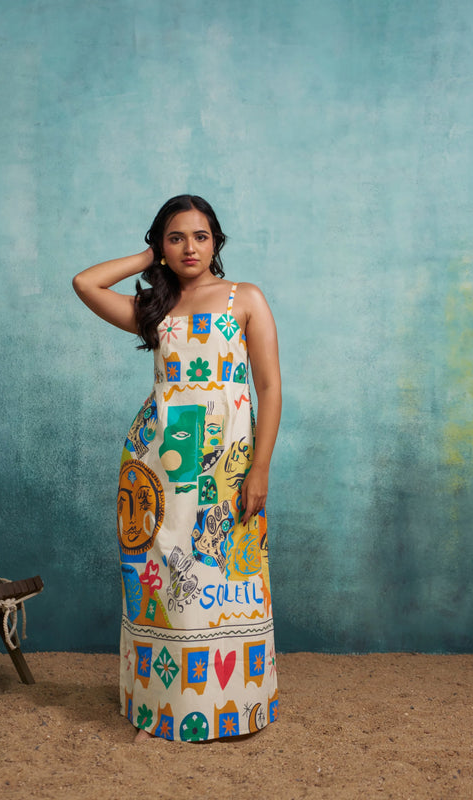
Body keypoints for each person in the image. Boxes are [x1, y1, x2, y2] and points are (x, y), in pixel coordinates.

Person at [73, 195, 281, 742]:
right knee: (165, 581)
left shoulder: (246, 298)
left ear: (217, 242)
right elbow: (85, 284)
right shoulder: (154, 309)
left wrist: (258, 468)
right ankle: (162, 711)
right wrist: (146, 261)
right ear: (160, 246)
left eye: (201, 236)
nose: (190, 247)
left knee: (228, 576)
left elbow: (269, 387)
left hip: (227, 463)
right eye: (175, 238)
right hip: (158, 464)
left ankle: (232, 705)